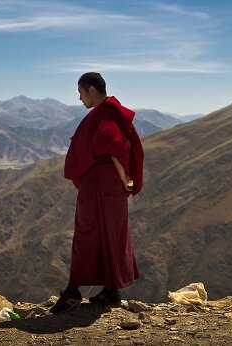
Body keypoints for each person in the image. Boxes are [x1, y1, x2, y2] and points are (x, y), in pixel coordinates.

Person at [49, 72, 144, 314]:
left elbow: (114, 148)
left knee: (86, 232)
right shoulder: (107, 113)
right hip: (106, 184)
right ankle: (111, 291)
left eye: (80, 93)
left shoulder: (105, 115)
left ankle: (73, 292)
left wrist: (125, 178)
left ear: (91, 89)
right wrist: (123, 180)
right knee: (110, 233)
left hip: (102, 183)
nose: (80, 99)